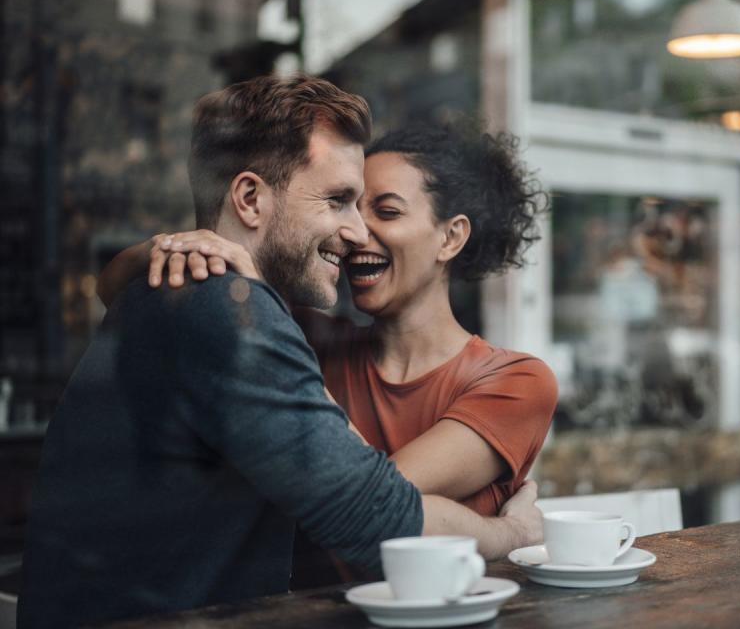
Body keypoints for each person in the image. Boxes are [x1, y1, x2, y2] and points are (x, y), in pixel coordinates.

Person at [17, 75, 542, 629]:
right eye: (339, 201)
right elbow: (375, 514)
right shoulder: (224, 309)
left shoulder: (192, 295)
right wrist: (516, 534)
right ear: (249, 199)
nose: (357, 231)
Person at [101, 123, 558, 519]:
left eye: (388, 211)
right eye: (349, 208)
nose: (356, 233)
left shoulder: (518, 382)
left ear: (451, 237)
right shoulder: (312, 338)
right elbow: (112, 289)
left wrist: (254, 285)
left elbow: (372, 495)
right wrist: (172, 247)